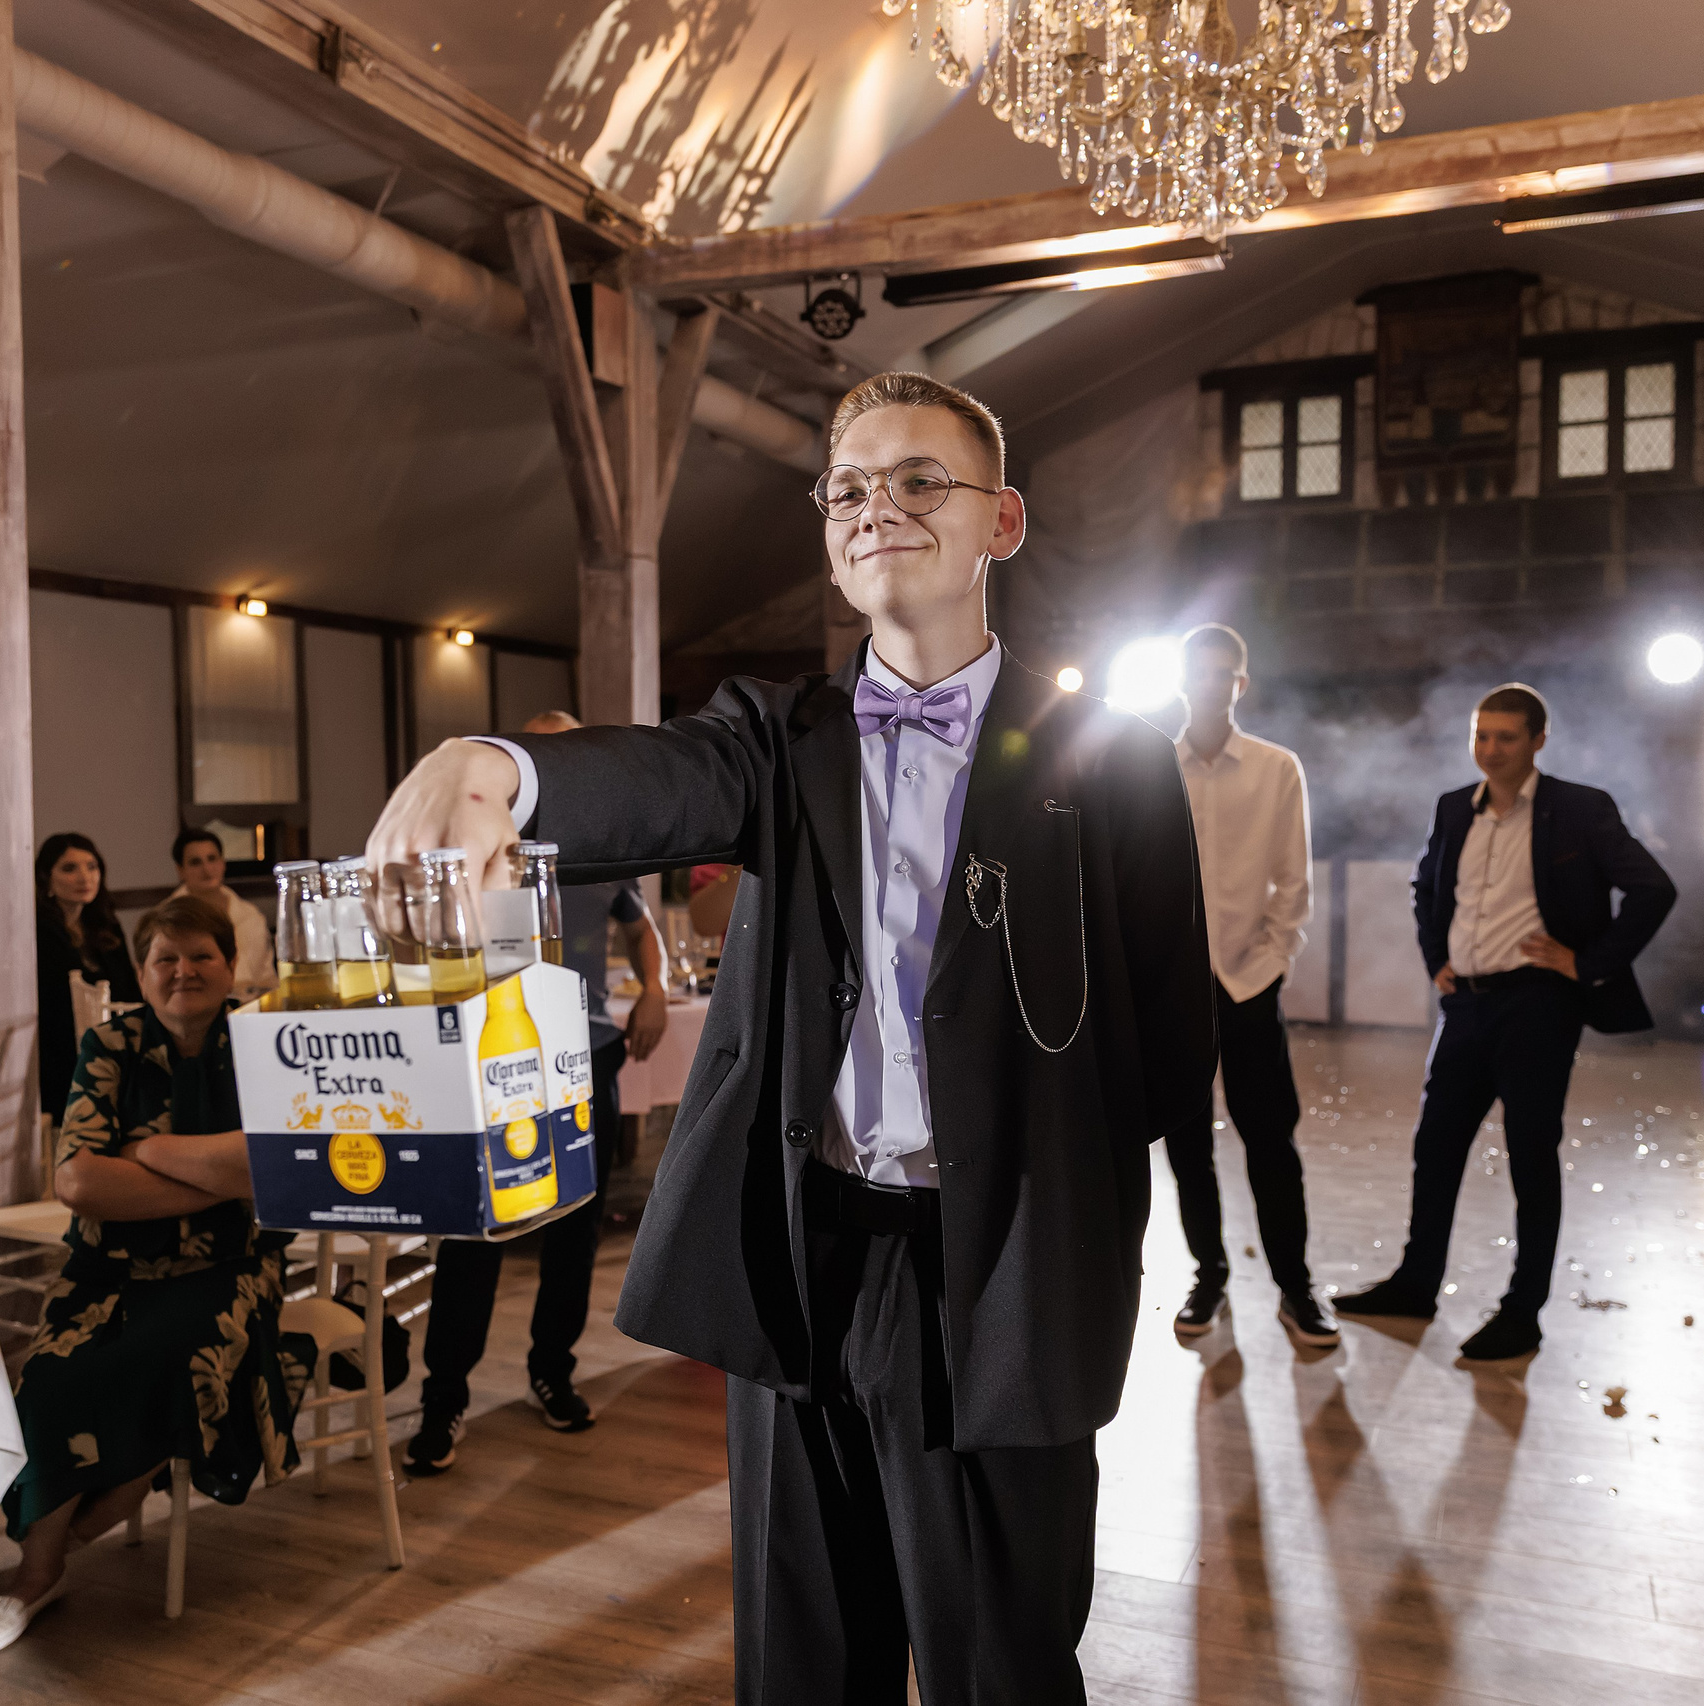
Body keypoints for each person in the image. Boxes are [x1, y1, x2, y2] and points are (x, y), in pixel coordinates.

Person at [369, 371, 1213, 1705]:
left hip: (999, 1267)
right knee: (804, 1657)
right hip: (804, 1252)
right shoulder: (778, 736)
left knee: (1002, 1657)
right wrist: (504, 771)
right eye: (851, 486)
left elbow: (1170, 1021)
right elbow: (658, 779)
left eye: (920, 477)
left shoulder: (1110, 756)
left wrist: (1070, 1205)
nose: (880, 504)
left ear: (1003, 523)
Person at [0, 893, 314, 1657]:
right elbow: (81, 1186)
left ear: (232, 967)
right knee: (51, 1380)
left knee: (177, 1366)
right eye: (166, 959)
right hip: (110, 1270)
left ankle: (43, 1562)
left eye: (202, 958)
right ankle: (45, 1565)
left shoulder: (269, 1046)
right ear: (141, 969)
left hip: (230, 1270)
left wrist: (147, 1153)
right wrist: (225, 1171)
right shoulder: (109, 1045)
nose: (184, 972)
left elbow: (283, 1165)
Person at [1337, 684, 1676, 1360]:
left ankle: (1523, 1312)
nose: (1490, 750)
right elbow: (1427, 885)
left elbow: (1652, 888)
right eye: (1481, 736)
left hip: (1536, 1005)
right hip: (1464, 1003)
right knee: (1435, 1149)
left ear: (1538, 741)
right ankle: (1415, 1284)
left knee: (1529, 1156)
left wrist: (1586, 964)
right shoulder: (1452, 808)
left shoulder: (1579, 809)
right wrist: (1435, 955)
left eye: (1506, 738)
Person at [404, 710, 672, 1476]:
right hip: (494, 1060)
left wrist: (652, 988)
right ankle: (442, 1398)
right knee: (473, 1228)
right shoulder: (482, 838)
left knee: (575, 1232)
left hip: (586, 1051)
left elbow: (640, 925)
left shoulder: (599, 845)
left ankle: (552, 1371)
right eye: (543, 749)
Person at [1167, 624, 1334, 1348]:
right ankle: (1209, 1274)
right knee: (1185, 1146)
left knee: (1270, 1140)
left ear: (1241, 684)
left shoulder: (1276, 769)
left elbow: (1294, 887)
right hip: (1171, 992)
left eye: (1223, 674)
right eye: (1198, 673)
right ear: (1182, 680)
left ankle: (1295, 1287)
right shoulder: (1151, 768)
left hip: (1248, 985)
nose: (1211, 685)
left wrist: (1265, 968)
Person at [35, 833, 141, 1116]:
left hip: (113, 1041)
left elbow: (129, 989)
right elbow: (51, 1007)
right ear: (47, 878)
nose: (85, 877)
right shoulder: (39, 931)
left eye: (91, 866)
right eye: (70, 868)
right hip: (61, 1052)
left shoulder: (105, 923)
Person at [168, 827, 275, 1002]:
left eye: (212, 859)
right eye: (196, 862)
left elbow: (267, 978)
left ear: (223, 863)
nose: (207, 869)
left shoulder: (250, 915)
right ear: (181, 870)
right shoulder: (169, 921)